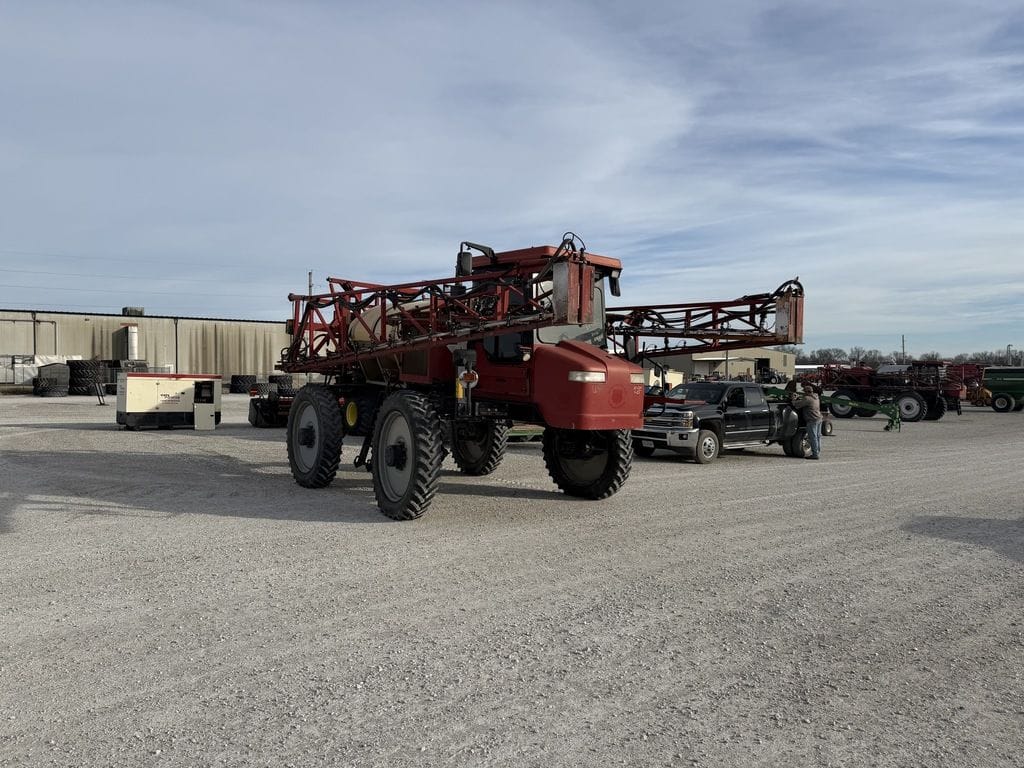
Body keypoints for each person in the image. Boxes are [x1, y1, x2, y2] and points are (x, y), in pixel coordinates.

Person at [791, 381, 823, 459]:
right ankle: (817, 452)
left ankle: (815, 455)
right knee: (818, 437)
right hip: (819, 418)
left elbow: (796, 405)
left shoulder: (807, 399)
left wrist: (793, 399)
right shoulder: (816, 397)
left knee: (813, 437)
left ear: (806, 392)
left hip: (812, 420)